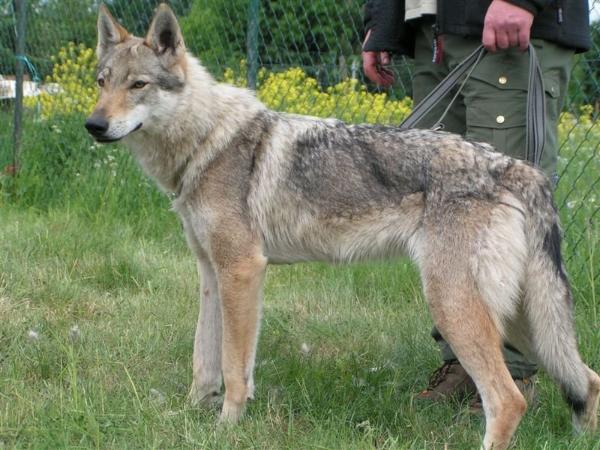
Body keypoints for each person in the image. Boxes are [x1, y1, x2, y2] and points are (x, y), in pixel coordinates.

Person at [361, 0, 591, 410]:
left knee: (504, 219)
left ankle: (515, 376)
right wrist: (384, 22)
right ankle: (466, 367)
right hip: (432, 28)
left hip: (507, 23)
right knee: (446, 228)